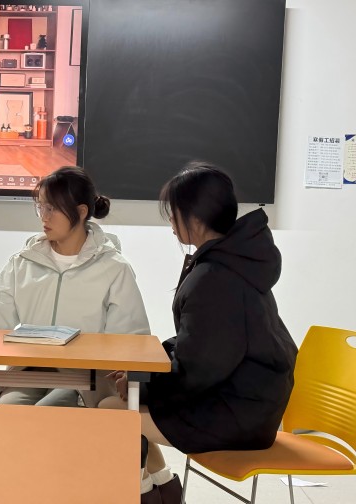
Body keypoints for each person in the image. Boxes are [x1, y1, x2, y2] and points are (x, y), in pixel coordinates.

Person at [100, 162, 298, 504]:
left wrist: (142, 383)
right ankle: (161, 490)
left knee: (109, 411)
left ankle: (146, 495)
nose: (171, 223)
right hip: (249, 403)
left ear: (193, 218)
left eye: (173, 213)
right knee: (122, 400)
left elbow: (198, 370)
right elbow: (202, 344)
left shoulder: (216, 277)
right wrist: (143, 373)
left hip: (236, 414)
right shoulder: (236, 261)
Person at [0, 166, 150, 407]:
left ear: (81, 212)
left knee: (46, 412)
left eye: (52, 208)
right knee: (6, 410)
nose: (44, 216)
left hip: (85, 378)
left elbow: (133, 339)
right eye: (41, 207)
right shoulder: (23, 262)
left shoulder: (114, 268)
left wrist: (128, 375)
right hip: (29, 370)